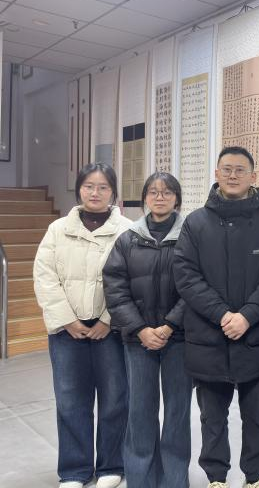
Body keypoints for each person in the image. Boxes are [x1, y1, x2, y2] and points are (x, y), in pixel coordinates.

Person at [173, 146, 259, 488]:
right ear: (216, 174)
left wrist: (247, 316)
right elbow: (186, 276)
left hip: (255, 336)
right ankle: (216, 478)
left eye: (240, 170)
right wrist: (222, 315)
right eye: (227, 169)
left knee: (257, 415)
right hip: (208, 336)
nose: (233, 175)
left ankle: (256, 477)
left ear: (253, 176)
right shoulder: (195, 223)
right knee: (212, 417)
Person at [33, 163, 131, 488]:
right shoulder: (58, 229)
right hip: (67, 331)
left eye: (103, 187)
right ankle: (74, 470)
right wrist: (67, 320)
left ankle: (111, 466)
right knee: (70, 399)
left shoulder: (127, 231)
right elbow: (45, 277)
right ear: (79, 190)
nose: (95, 192)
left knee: (115, 398)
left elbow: (133, 280)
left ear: (113, 193)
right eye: (89, 186)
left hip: (111, 331)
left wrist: (108, 320)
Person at [103, 172, 191, 488]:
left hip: (179, 339)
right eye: (153, 192)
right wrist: (140, 329)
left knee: (178, 413)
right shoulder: (128, 239)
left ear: (177, 199)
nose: (159, 197)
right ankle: (141, 479)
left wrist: (169, 325)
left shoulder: (191, 237)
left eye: (167, 192)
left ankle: (174, 480)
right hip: (137, 340)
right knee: (140, 411)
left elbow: (197, 287)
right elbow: (115, 288)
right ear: (144, 198)